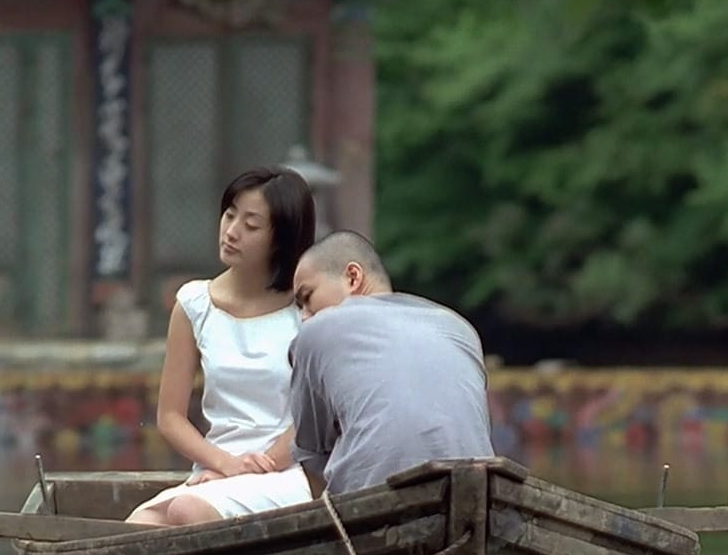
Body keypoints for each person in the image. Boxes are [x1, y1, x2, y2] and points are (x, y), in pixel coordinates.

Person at [127, 168, 318, 527]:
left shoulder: (306, 309)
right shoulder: (195, 304)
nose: (231, 232)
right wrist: (225, 465)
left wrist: (258, 467)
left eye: (251, 225)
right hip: (217, 468)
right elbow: (170, 417)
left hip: (285, 470)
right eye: (230, 215)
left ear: (281, 238)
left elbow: (317, 414)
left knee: (187, 510)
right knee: (139, 525)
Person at [286, 231, 497, 498]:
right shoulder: (459, 327)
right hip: (478, 494)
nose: (305, 317)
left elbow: (311, 451)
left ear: (353, 277)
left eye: (307, 297)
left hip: (376, 504)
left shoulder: (317, 329)